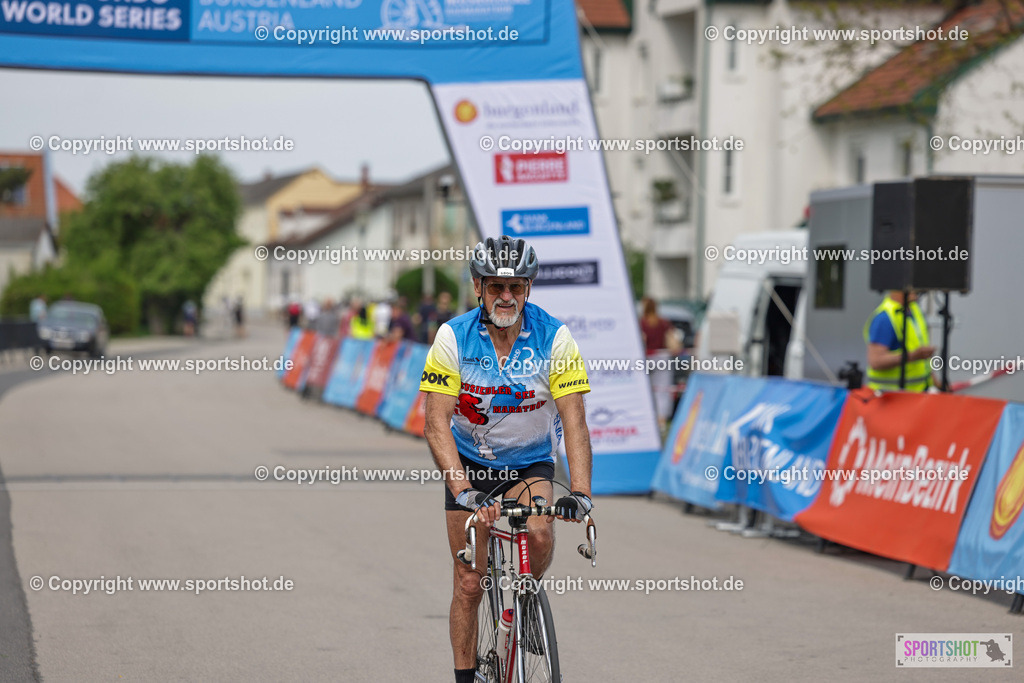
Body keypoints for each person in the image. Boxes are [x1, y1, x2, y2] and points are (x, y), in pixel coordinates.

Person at [419, 236, 594, 683]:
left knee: (539, 531)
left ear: (528, 288)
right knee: (469, 582)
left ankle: (526, 598)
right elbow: (435, 422)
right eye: (496, 286)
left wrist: (580, 492)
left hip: (529, 462)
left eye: (516, 287)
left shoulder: (554, 337)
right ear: (478, 286)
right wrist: (463, 490)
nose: (506, 297)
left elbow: (574, 420)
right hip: (469, 465)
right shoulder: (453, 337)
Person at [863, 290, 936, 392]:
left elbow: (924, 364)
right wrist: (913, 356)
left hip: (916, 394)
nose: (916, 290)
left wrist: (938, 384)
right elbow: (876, 361)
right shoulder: (884, 318)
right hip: (890, 396)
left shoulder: (915, 311)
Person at [639, 297, 681, 428]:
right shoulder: (663, 322)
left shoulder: (641, 323)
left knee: (645, 389)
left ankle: (646, 417)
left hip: (646, 357)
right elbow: (673, 340)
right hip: (662, 357)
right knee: (662, 390)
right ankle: (661, 420)